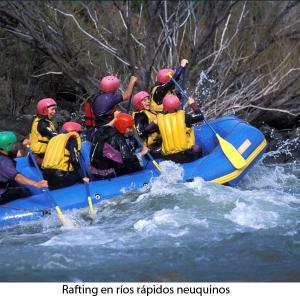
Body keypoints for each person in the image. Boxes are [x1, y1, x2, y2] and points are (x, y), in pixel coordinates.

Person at [90, 112, 149, 179]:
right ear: (122, 126)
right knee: (137, 166)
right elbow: (128, 159)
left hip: (94, 170)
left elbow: (106, 126)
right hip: (106, 173)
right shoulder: (118, 139)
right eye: (129, 128)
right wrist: (142, 153)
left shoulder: (102, 131)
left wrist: (116, 118)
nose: (132, 130)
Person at [0, 131, 48, 204]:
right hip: (1, 193)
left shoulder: (5, 151)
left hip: (5, 181)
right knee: (25, 191)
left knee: (16, 184)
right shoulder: (4, 162)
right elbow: (17, 177)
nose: (15, 145)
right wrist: (36, 184)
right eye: (13, 144)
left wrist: (25, 146)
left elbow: (22, 153)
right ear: (7, 146)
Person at [155, 94, 204, 163]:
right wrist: (193, 104)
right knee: (197, 148)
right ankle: (200, 162)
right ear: (178, 105)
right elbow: (200, 116)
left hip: (169, 158)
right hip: (186, 155)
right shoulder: (185, 117)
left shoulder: (159, 120)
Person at [41, 122, 89, 190]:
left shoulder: (54, 139)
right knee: (81, 176)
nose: (80, 135)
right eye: (79, 133)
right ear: (74, 131)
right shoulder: (72, 139)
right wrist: (83, 177)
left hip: (46, 176)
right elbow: (74, 159)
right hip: (60, 177)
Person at [29, 98, 58, 164]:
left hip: (41, 155)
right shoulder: (42, 124)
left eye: (55, 109)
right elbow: (55, 136)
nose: (54, 112)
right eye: (52, 109)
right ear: (44, 110)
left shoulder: (39, 120)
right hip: (39, 157)